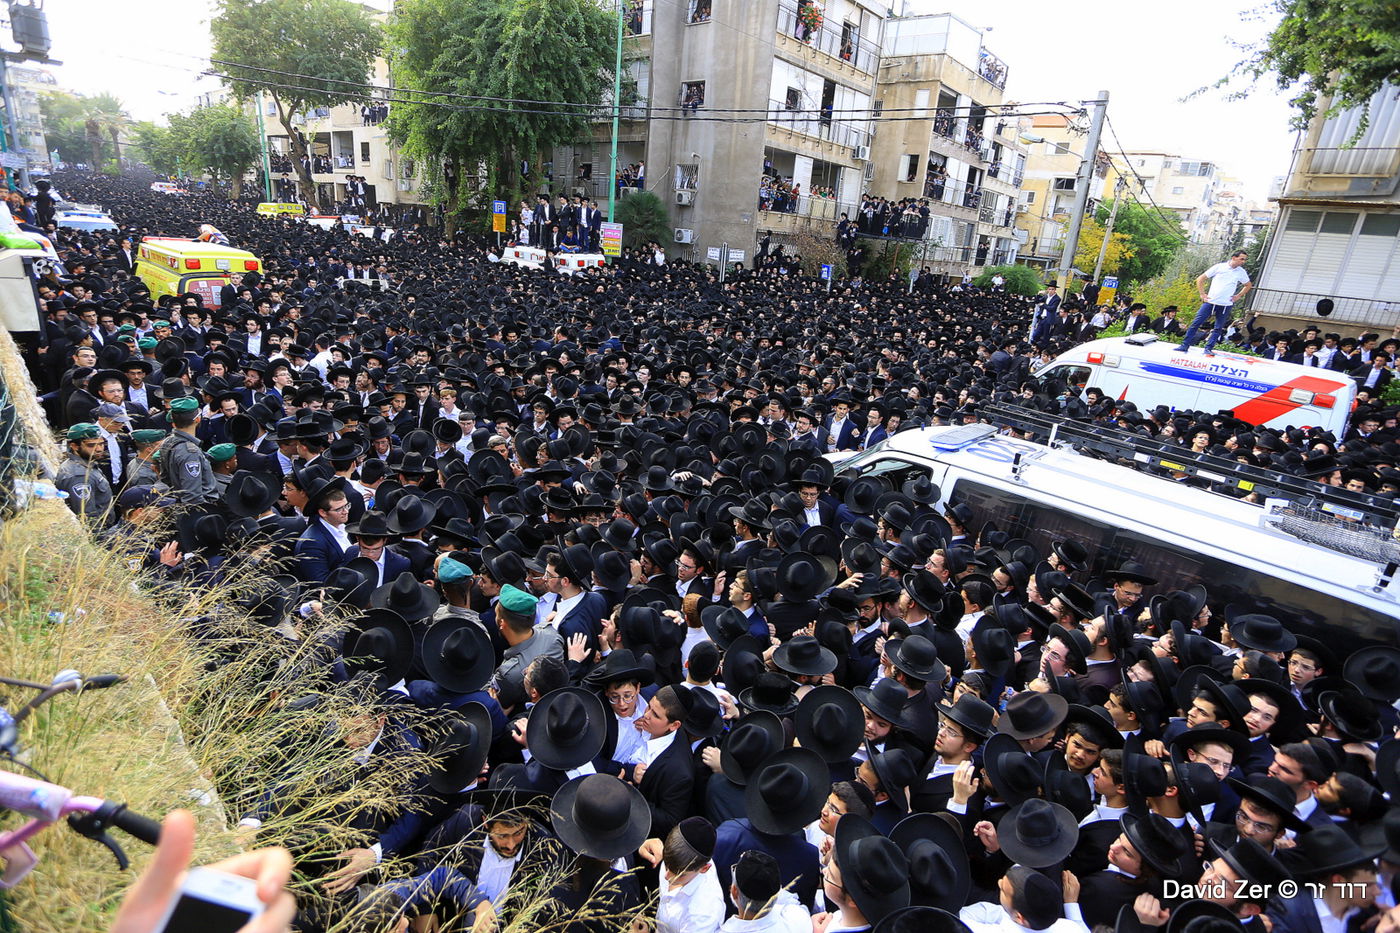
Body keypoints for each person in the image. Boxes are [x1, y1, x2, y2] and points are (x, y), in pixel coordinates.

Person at [1176, 250, 1252, 355]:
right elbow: (1201, 279)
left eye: (1244, 260)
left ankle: (1208, 348)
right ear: (1234, 258)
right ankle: (1185, 345)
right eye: (1241, 259)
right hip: (1211, 301)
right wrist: (1202, 294)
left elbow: (1248, 285)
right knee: (1196, 323)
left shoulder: (1241, 272)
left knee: (1218, 328)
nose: (1243, 261)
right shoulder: (1219, 267)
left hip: (1226, 304)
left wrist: (1238, 296)